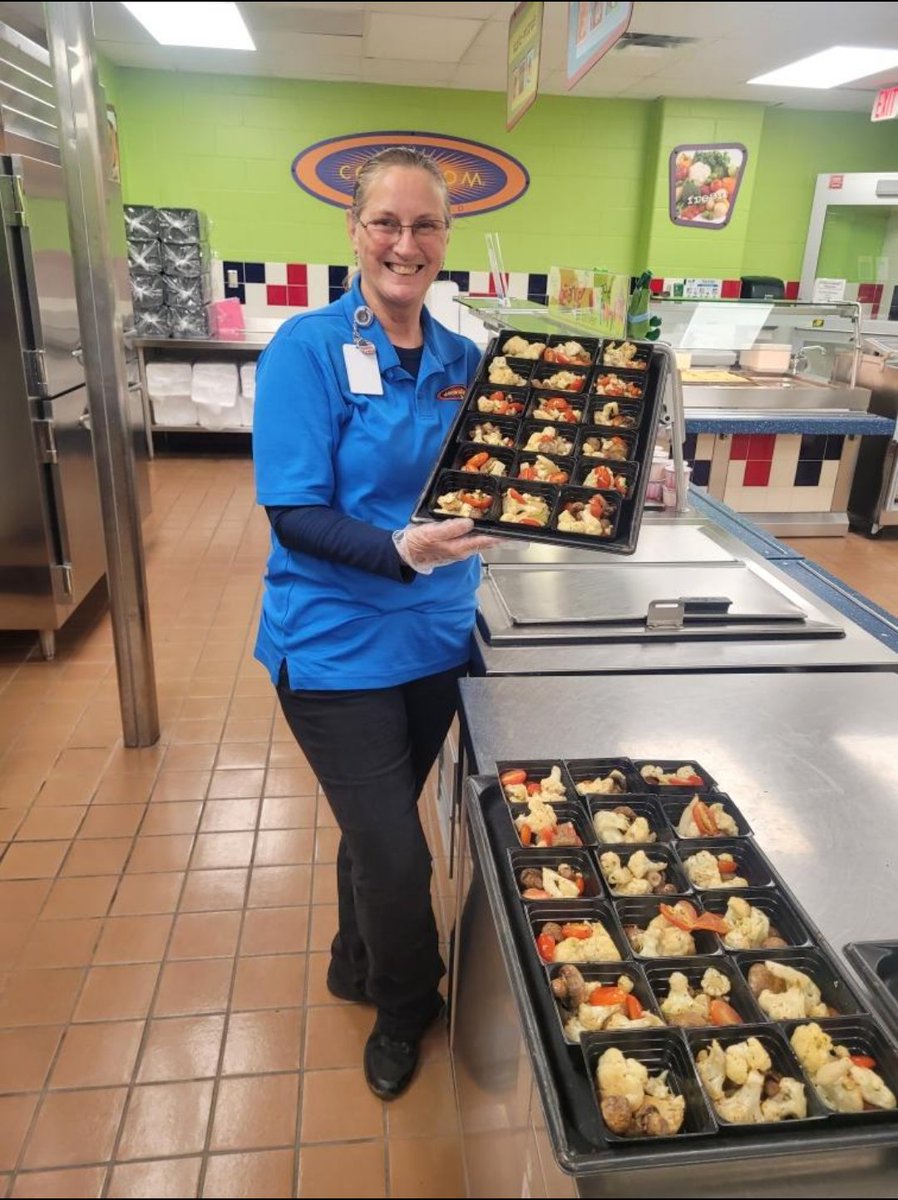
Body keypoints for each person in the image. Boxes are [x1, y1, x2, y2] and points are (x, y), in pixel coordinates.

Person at [252, 147, 495, 1100]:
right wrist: (401, 549)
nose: (406, 242)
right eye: (387, 223)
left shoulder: (461, 361)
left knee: (378, 818)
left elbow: (482, 479)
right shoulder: (305, 350)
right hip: (333, 640)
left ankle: (354, 957)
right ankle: (406, 1004)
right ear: (355, 233)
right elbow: (295, 512)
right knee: (398, 849)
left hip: (434, 637)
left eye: (425, 224)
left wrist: (519, 512)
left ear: (445, 239)